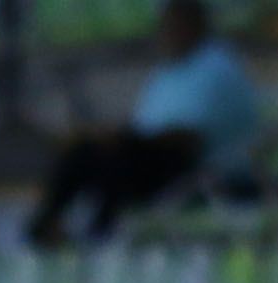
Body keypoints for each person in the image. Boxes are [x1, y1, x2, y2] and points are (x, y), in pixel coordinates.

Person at [29, 0, 264, 245]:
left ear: (195, 23)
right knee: (85, 153)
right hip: (154, 157)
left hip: (197, 170)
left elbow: (186, 139)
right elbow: (146, 127)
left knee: (113, 159)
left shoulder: (217, 67)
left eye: (173, 25)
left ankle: (98, 237)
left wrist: (122, 140)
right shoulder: (169, 71)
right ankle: (49, 226)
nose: (165, 33)